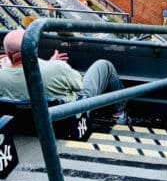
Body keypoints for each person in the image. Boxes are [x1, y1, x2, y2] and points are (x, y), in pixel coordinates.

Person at [0, 29, 128, 123]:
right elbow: (80, 85)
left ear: (8, 54)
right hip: (69, 117)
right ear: (33, 47)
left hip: (27, 123)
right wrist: (57, 66)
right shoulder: (57, 67)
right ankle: (120, 114)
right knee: (103, 65)